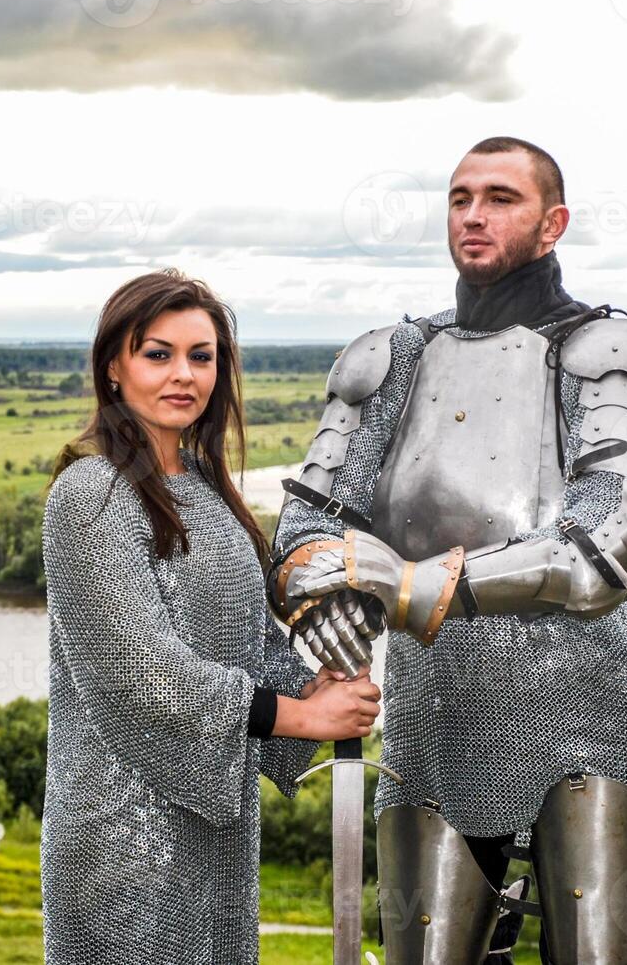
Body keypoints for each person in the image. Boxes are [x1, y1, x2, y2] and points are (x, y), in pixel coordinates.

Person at [269, 138, 627, 964]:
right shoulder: (390, 360)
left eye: (501, 198)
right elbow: (306, 524)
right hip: (433, 718)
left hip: (583, 714)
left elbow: (604, 550)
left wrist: (409, 586)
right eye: (460, 197)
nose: (473, 214)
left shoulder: (609, 353)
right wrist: (324, 597)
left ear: (552, 223)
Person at [40, 268, 382, 965]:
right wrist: (302, 718)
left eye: (202, 356)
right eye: (157, 353)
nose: (183, 374)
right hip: (119, 835)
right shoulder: (90, 493)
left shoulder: (206, 493)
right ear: (114, 366)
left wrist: (318, 683)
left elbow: (251, 644)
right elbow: (145, 675)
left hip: (215, 831)